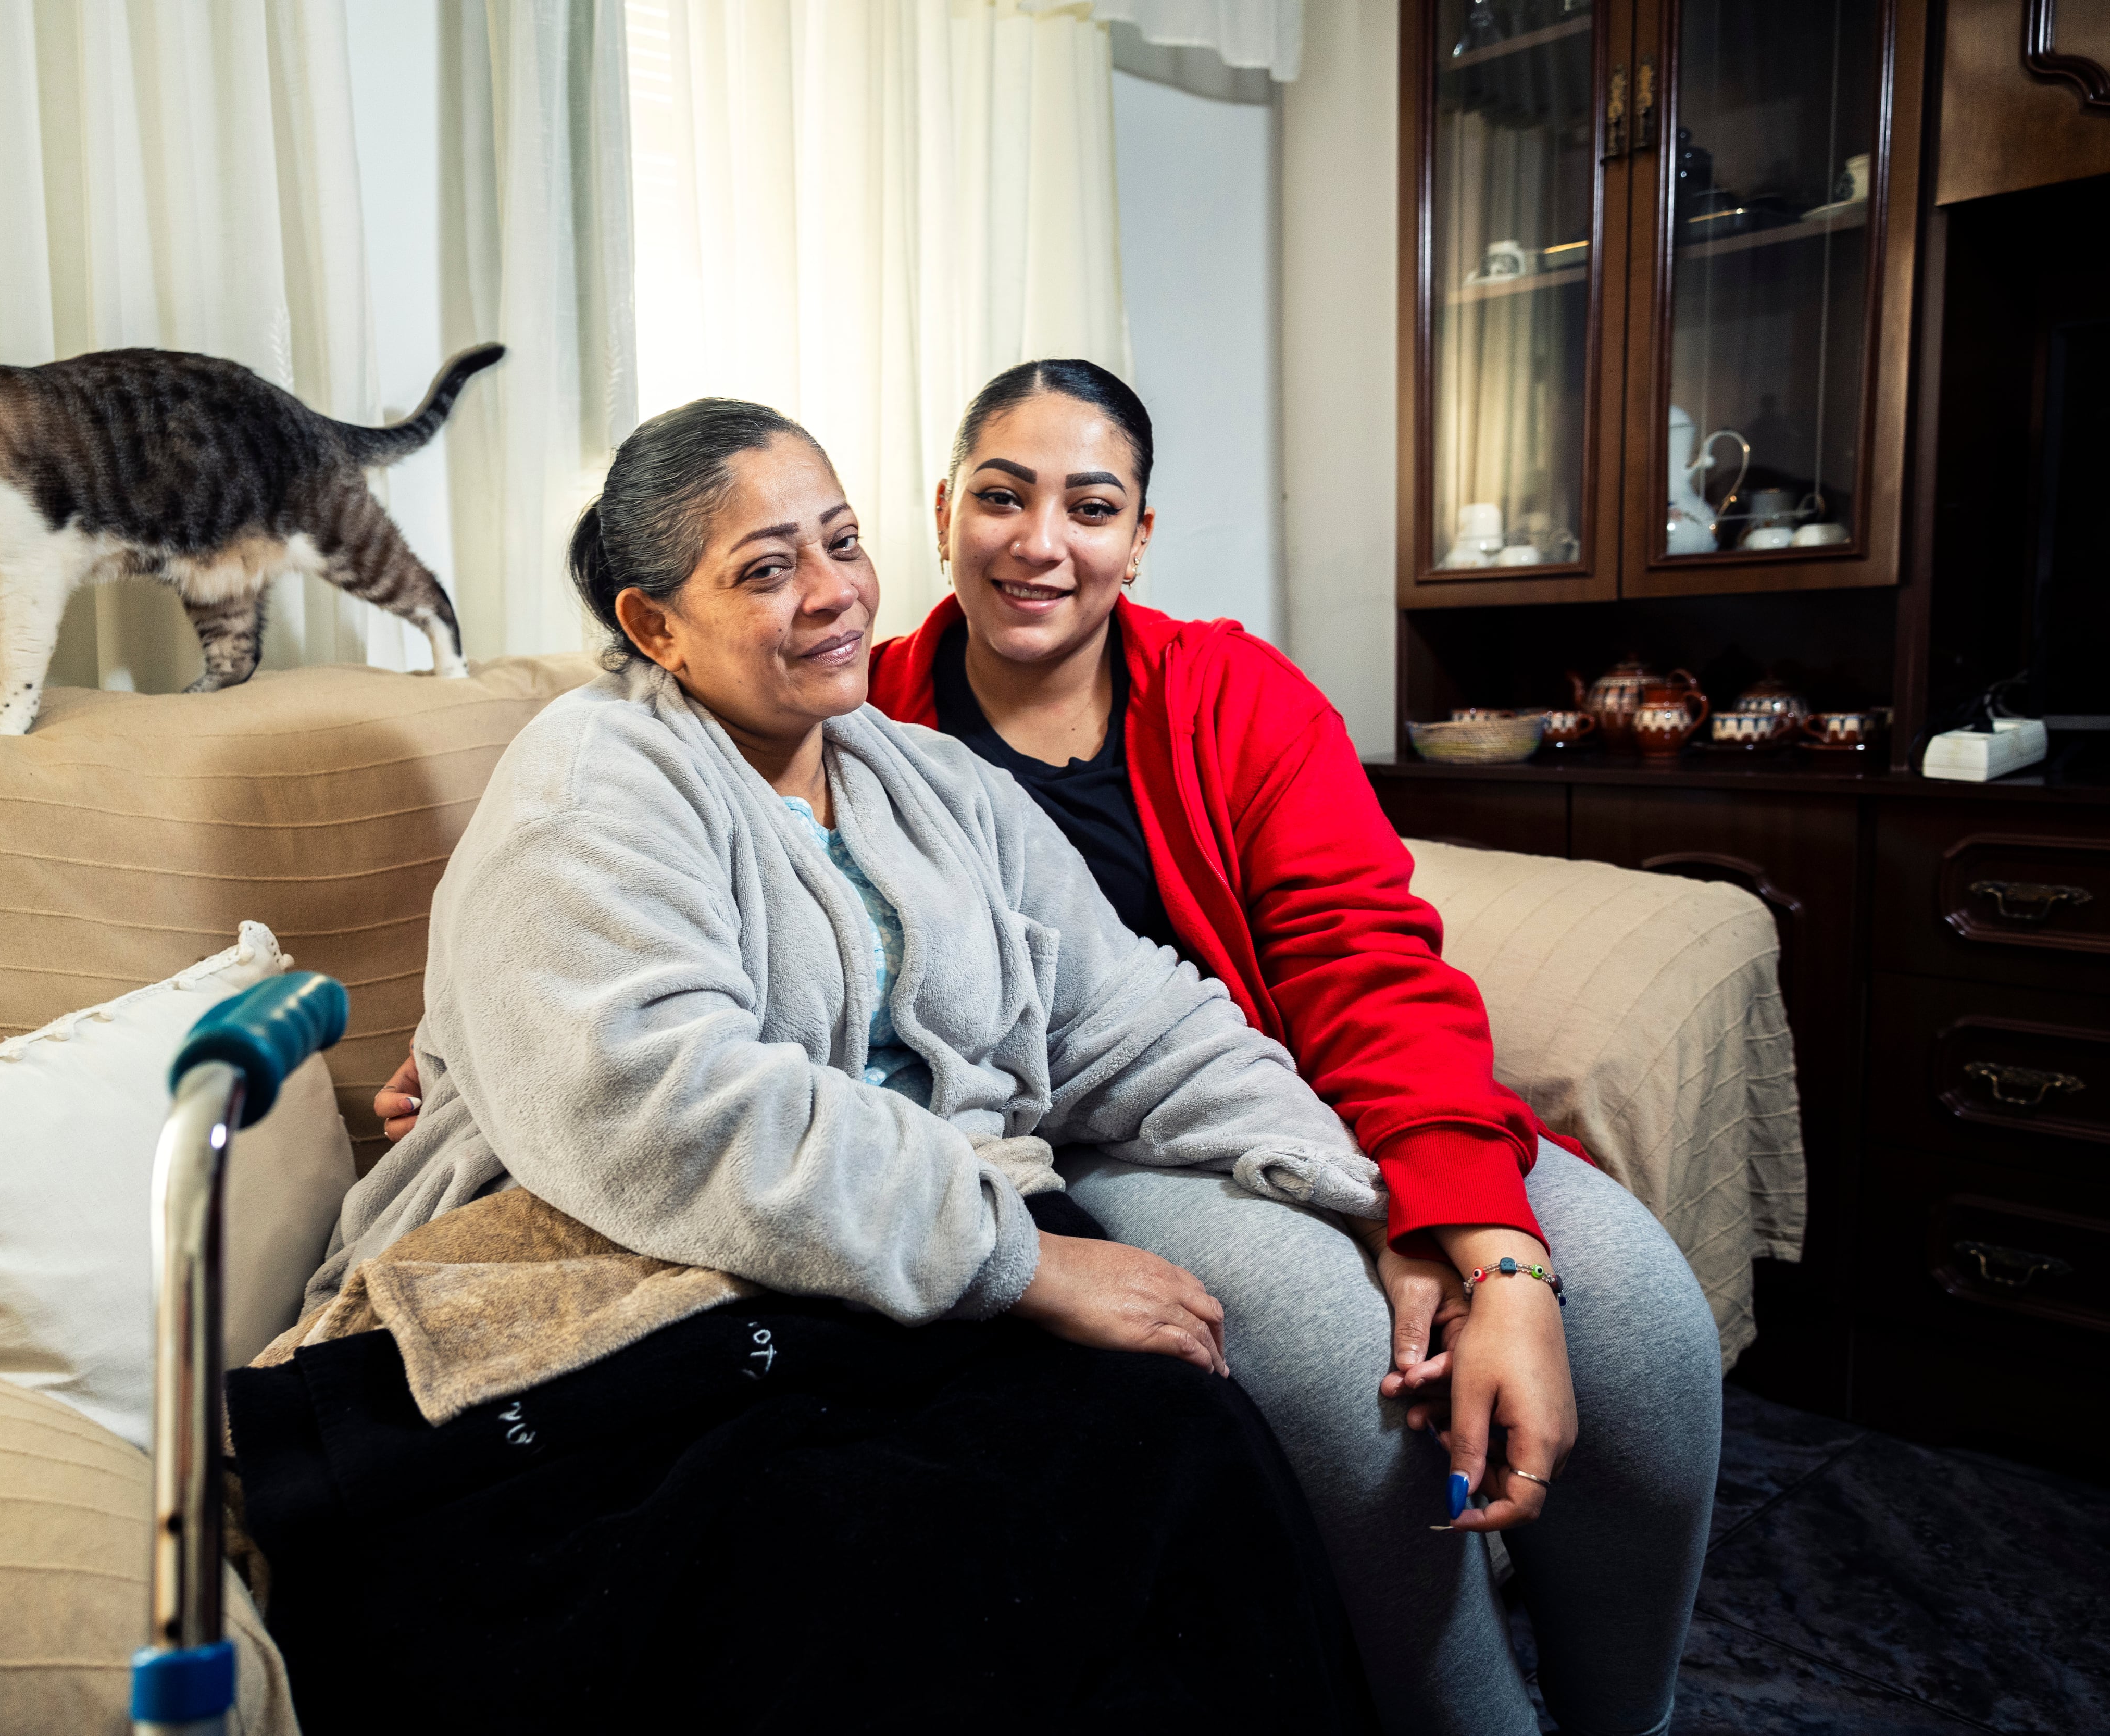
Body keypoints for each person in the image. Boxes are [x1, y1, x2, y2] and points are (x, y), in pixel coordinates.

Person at [300, 395, 1381, 1725]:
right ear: (654, 626)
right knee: (853, 1543)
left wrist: (1358, 1195)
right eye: (765, 569)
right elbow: (658, 1103)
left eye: (842, 543)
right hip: (637, 1254)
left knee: (1183, 1443)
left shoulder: (939, 783)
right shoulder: (589, 782)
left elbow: (1133, 1017)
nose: (833, 595)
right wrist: (1023, 1260)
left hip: (911, 1258)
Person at [854, 358, 1725, 1736]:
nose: (1041, 543)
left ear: (1139, 537)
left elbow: (1363, 959)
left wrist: (1487, 1237)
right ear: (945, 508)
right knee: (1351, 1371)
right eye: (1003, 498)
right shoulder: (857, 721)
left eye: (1091, 505)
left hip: (1294, 1083)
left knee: (1636, 1312)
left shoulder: (1234, 693)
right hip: (1092, 1137)